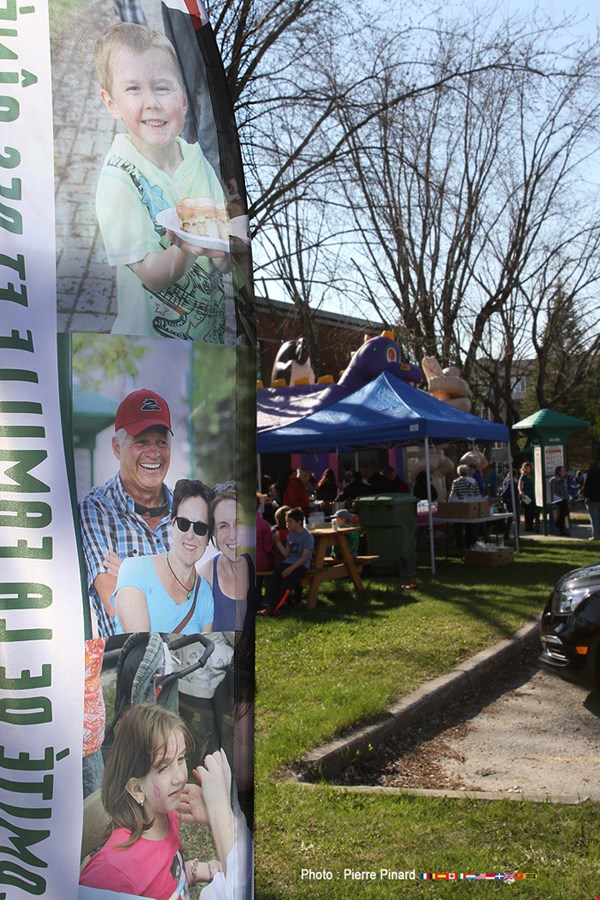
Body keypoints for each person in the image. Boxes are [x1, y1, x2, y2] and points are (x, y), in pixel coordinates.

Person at [94, 23, 231, 342]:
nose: (152, 102)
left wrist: (227, 249)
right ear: (111, 102)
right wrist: (189, 248)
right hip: (147, 345)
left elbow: (224, 261)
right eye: (133, 89)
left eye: (162, 87)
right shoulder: (118, 179)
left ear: (183, 99)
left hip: (205, 344)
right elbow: (153, 276)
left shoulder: (198, 163)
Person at [79, 704, 222, 897]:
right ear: (137, 789)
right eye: (163, 768)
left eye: (180, 759)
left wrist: (199, 870)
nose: (180, 777)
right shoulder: (114, 869)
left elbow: (165, 874)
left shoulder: (166, 812)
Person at [79, 388, 174, 638]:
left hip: (190, 662)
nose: (153, 452)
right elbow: (114, 603)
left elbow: (206, 600)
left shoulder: (187, 509)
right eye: (141, 441)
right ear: (117, 447)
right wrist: (175, 586)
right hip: (128, 666)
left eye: (161, 441)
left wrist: (134, 577)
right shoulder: (96, 508)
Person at [113, 478, 214, 634]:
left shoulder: (205, 592)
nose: (190, 535)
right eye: (183, 524)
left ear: (208, 538)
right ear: (173, 525)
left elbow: (206, 651)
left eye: (200, 528)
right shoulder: (134, 570)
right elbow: (142, 647)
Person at [199, 482, 256, 631]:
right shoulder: (204, 579)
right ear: (213, 533)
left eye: (239, 523)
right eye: (223, 526)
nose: (233, 535)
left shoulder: (257, 566)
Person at [261, 508, 314, 613]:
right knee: (274, 578)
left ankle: (275, 607)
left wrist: (289, 569)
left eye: (290, 522)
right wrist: (278, 542)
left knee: (287, 583)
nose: (287, 524)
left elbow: (304, 558)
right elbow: (287, 554)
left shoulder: (307, 536)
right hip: (289, 562)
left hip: (300, 565)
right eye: (286, 521)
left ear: (299, 522)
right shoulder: (291, 534)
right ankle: (268, 604)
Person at [549, 465, 570, 536]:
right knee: (564, 512)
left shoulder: (563, 479)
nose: (565, 472)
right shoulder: (555, 478)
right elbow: (554, 480)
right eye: (563, 471)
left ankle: (562, 530)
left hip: (563, 498)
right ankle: (558, 525)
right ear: (559, 472)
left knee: (565, 513)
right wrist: (562, 480)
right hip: (558, 499)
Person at [582, 461, 600, 540]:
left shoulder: (589, 477)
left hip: (591, 500)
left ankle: (596, 535)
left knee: (594, 519)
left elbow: (585, 490)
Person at [518, 461, 538, 533]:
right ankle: (528, 526)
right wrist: (521, 493)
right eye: (525, 467)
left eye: (528, 467)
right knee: (528, 511)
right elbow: (519, 486)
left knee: (533, 512)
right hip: (526, 496)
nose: (526, 469)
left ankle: (531, 525)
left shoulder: (533, 476)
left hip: (533, 496)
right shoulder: (523, 476)